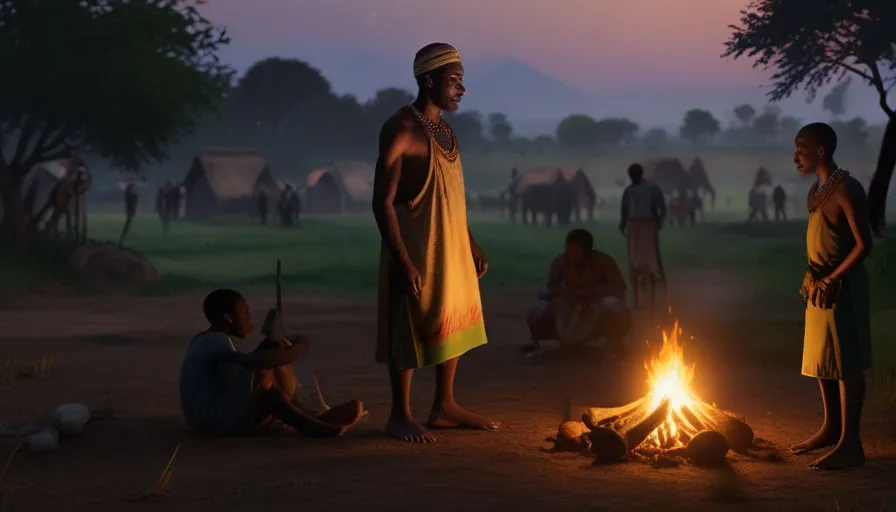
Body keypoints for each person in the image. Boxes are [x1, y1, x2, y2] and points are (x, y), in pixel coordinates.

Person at [372, 42, 500, 443]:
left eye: (463, 81)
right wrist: (402, 260)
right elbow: (382, 202)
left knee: (454, 315)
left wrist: (471, 243)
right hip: (415, 248)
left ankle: (444, 405)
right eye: (454, 81)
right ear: (429, 80)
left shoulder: (445, 131)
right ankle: (400, 414)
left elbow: (451, 198)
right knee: (409, 322)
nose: (462, 89)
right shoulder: (401, 129)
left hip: (451, 247)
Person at [790, 123, 873, 470]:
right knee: (824, 359)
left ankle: (850, 444)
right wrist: (813, 277)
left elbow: (863, 244)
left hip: (842, 289)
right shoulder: (816, 192)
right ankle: (831, 428)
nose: (795, 156)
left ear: (821, 151)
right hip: (819, 287)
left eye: (801, 148)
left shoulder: (846, 189)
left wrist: (833, 279)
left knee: (846, 362)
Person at [179, 289, 365, 438]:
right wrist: (300, 347)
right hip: (210, 421)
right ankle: (315, 424)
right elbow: (258, 362)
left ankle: (310, 416)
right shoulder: (215, 340)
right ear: (229, 318)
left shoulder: (205, 339)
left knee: (271, 364)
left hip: (205, 420)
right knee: (268, 375)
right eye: (245, 313)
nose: (249, 318)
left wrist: (274, 345)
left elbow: (235, 372)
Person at [525, 229, 632, 357]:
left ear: (587, 251)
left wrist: (590, 296)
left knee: (615, 306)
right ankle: (541, 343)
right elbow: (547, 289)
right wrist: (569, 295)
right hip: (568, 309)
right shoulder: (560, 262)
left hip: (596, 307)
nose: (571, 255)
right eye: (568, 250)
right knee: (539, 308)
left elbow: (618, 287)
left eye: (575, 252)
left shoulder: (604, 261)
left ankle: (614, 343)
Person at [619, 163, 667, 309]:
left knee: (651, 261)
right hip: (633, 227)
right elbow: (625, 209)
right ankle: (636, 300)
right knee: (634, 262)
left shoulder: (652, 188)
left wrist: (657, 223)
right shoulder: (628, 191)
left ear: (640, 173)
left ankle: (655, 299)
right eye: (631, 174)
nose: (633, 177)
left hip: (647, 225)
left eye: (635, 173)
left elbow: (661, 208)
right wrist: (623, 224)